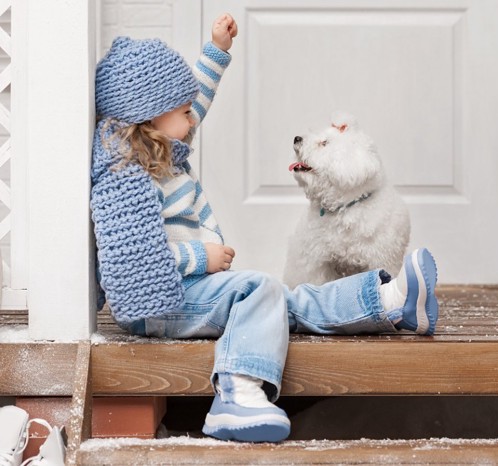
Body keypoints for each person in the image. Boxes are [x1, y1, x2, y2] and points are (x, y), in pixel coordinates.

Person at [90, 13, 439, 443]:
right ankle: (238, 390)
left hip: (186, 292)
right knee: (261, 291)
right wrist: (205, 256)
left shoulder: (162, 150)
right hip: (161, 306)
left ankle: (388, 302)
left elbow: (197, 99)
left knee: (280, 303)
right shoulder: (127, 177)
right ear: (152, 119)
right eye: (184, 111)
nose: (193, 117)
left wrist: (218, 49)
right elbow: (135, 262)